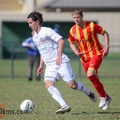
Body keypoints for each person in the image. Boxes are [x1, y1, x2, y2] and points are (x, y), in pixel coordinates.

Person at [27, 11, 97, 114]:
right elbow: (42, 51)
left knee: (72, 85)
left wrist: (59, 56)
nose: (29, 25)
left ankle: (88, 92)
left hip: (60, 62)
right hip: (50, 65)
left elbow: (61, 41)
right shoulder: (35, 37)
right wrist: (41, 65)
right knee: (48, 84)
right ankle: (64, 105)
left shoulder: (47, 31)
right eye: (28, 23)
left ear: (37, 22)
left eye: (31, 22)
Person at [68, 9, 111, 111]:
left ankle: (102, 97)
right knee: (93, 78)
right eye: (74, 18)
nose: (76, 19)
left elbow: (105, 33)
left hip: (96, 54)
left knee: (90, 74)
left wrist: (107, 46)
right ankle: (106, 97)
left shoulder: (91, 26)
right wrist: (75, 51)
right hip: (84, 58)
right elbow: (71, 42)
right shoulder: (73, 30)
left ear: (82, 17)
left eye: (78, 17)